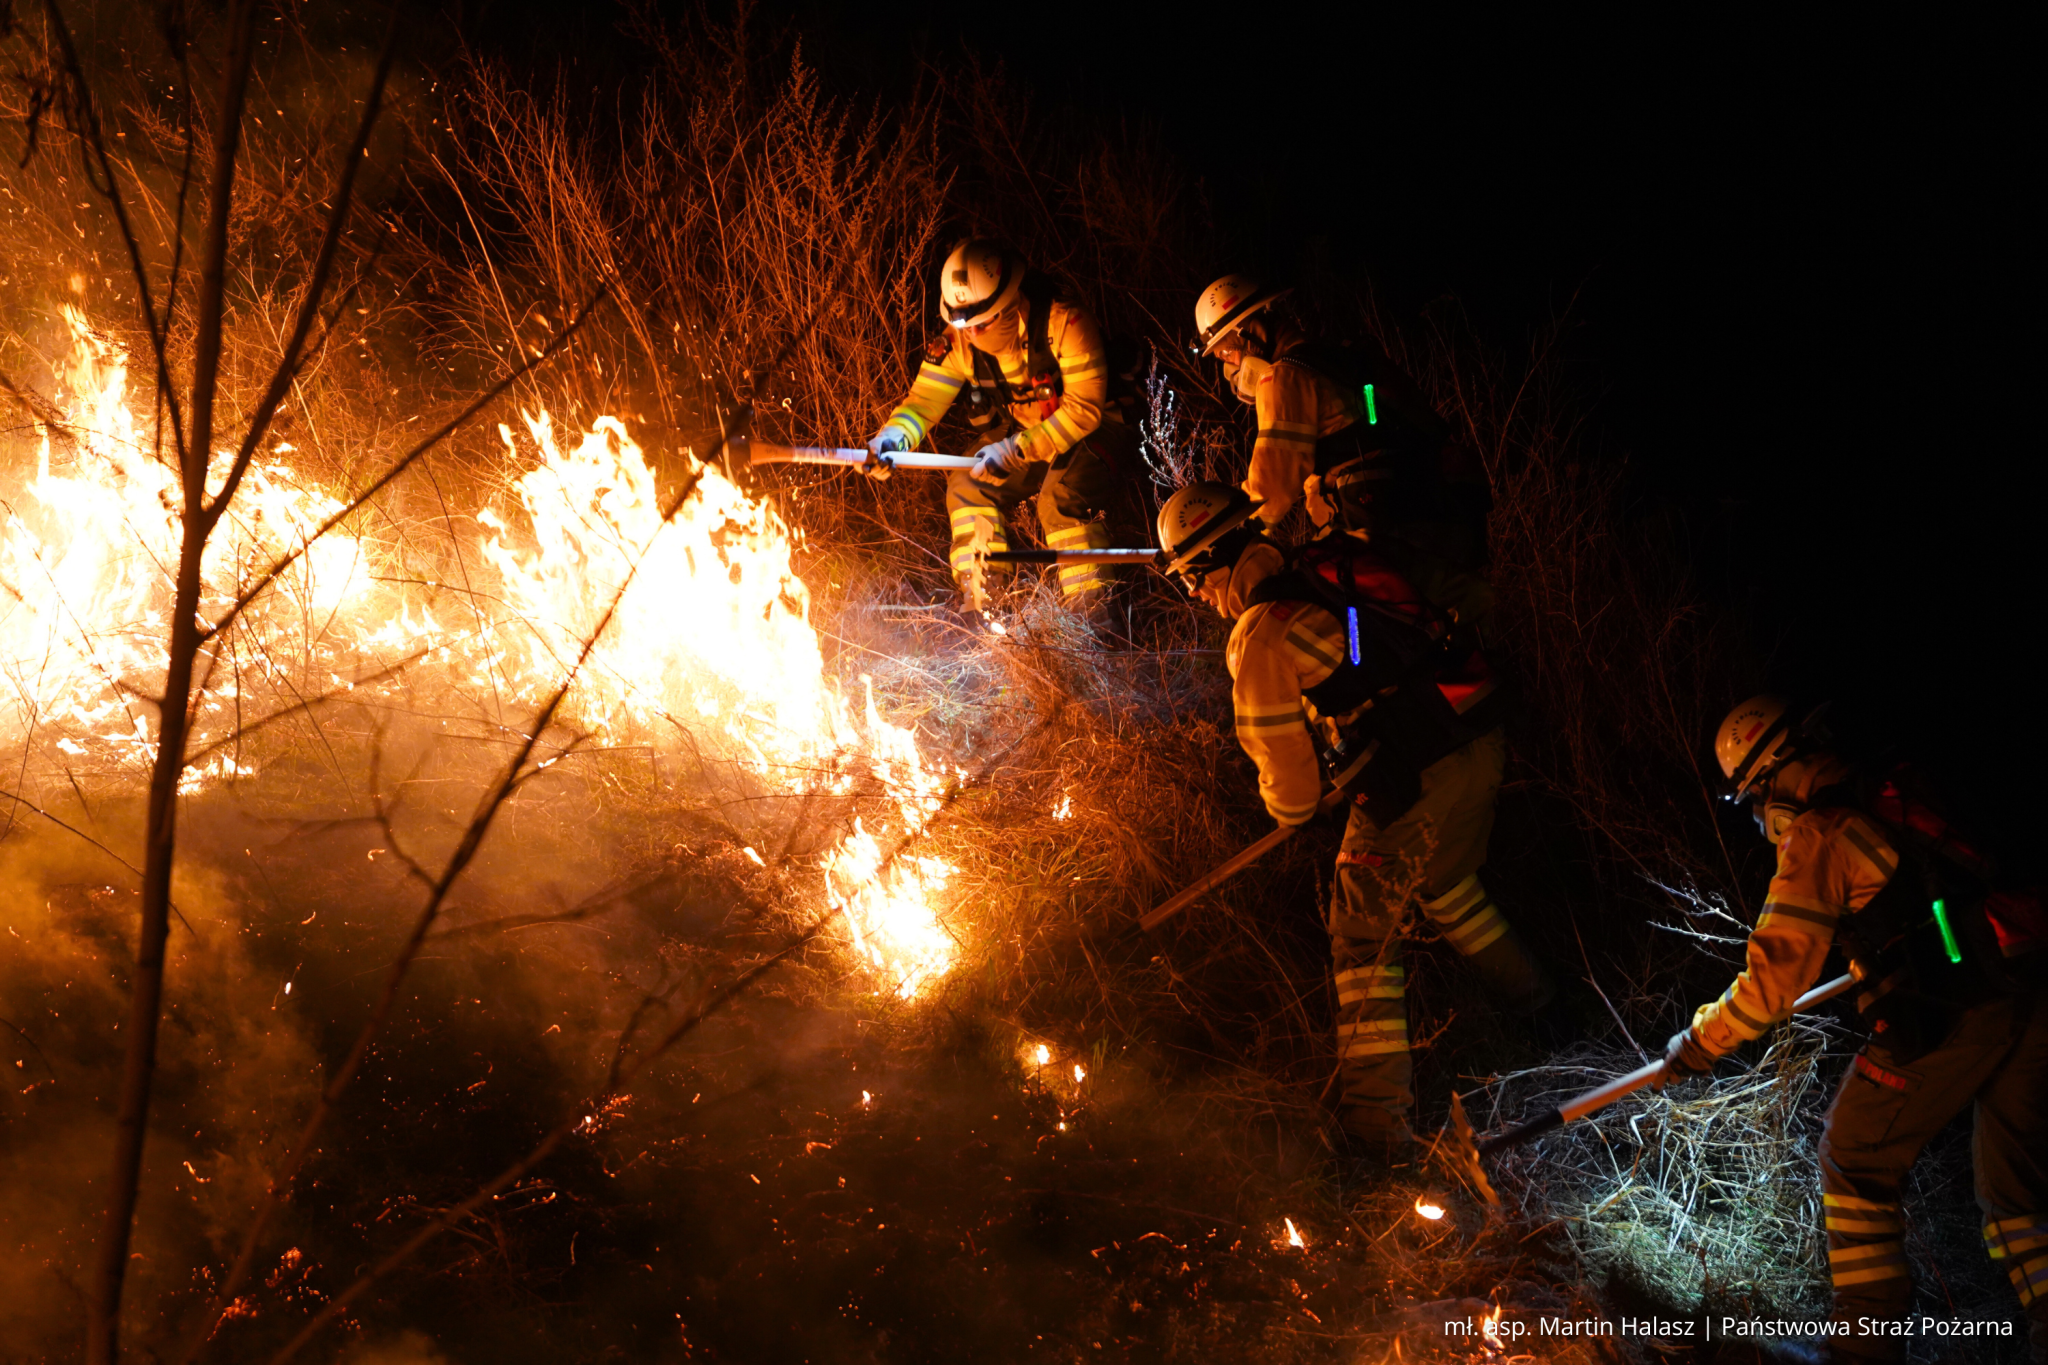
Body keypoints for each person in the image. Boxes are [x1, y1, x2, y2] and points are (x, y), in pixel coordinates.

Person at [1156, 480, 1554, 1157]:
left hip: (1415, 774)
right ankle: (1545, 1011)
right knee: (1447, 884)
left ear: (1213, 562)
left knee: (1360, 939)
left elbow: (1289, 784)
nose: (1195, 594)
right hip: (1477, 736)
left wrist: (1296, 811)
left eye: (1192, 578)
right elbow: (1460, 605)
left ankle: (1377, 1129)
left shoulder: (1259, 634)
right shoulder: (1328, 564)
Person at [1666, 697, 2047, 1364]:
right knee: (2016, 1195)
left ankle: (1863, 1348)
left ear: (1771, 780)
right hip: (2030, 983)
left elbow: (1772, 982)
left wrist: (1699, 1042)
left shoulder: (1821, 832)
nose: (1760, 816)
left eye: (1753, 799)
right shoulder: (1891, 793)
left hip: (1961, 1005)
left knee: (1852, 1151)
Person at [868, 239, 1135, 611]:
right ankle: (983, 603)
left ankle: (1091, 617)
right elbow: (923, 403)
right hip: (1028, 433)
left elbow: (1084, 410)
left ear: (1010, 302)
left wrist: (1015, 450)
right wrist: (892, 438)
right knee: (966, 484)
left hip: (1099, 428)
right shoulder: (958, 342)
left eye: (982, 323)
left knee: (1059, 500)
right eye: (965, 326)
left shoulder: (1066, 323)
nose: (973, 336)